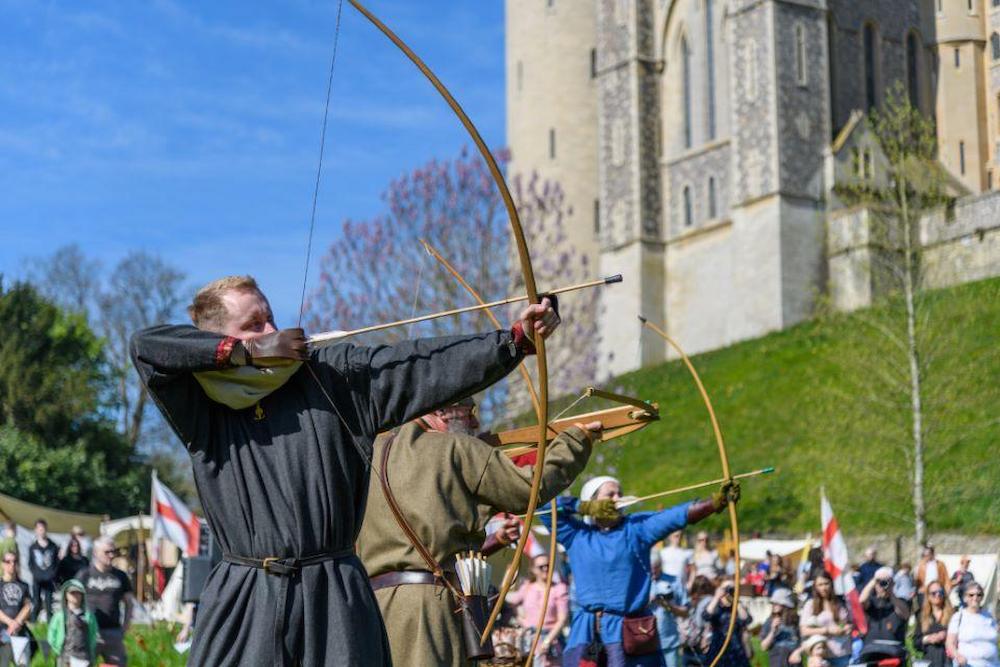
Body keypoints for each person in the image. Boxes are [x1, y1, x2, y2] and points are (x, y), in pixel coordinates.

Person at [130, 274, 561, 666]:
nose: (271, 330)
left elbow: (416, 365)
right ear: (218, 342)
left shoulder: (331, 377)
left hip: (333, 596)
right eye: (253, 325)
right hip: (245, 599)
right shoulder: (201, 404)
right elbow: (145, 346)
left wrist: (513, 341)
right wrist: (244, 353)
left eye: (270, 318)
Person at [356, 397, 596, 667]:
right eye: (468, 413)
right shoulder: (455, 447)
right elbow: (527, 489)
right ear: (442, 410)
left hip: (373, 608)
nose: (475, 423)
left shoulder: (368, 453)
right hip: (431, 609)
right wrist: (576, 441)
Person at [543, 475, 738, 667]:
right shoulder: (575, 534)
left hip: (630, 631)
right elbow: (543, 508)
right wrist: (579, 506)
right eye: (610, 494)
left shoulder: (636, 529)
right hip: (587, 632)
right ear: (592, 501)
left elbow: (674, 517)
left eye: (620, 494)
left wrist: (713, 503)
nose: (617, 498)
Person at [76, 536, 134, 666]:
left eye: (113, 551)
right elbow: (73, 602)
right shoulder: (84, 575)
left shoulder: (121, 576)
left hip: (113, 631)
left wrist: (125, 626)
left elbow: (129, 603)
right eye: (107, 552)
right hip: (89, 632)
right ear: (96, 553)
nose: (111, 555)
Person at [509, 554, 571, 667]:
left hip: (551, 640)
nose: (545, 569)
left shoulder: (559, 589)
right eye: (541, 567)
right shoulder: (527, 587)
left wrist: (547, 641)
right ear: (533, 569)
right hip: (529, 641)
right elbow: (510, 604)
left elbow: (562, 619)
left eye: (548, 565)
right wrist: (521, 620)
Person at [858, 566, 910, 664]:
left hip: (894, 651)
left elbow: (905, 614)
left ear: (893, 583)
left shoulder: (900, 601)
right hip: (871, 651)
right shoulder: (871, 601)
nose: (882, 585)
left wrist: (890, 593)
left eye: (886, 582)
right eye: (880, 583)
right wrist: (875, 580)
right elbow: (861, 600)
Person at [799, 572, 852, 667]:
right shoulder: (810, 605)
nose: (824, 588)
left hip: (842, 653)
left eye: (826, 583)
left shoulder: (841, 602)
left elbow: (850, 622)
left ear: (831, 584)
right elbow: (804, 631)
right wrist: (828, 630)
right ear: (815, 587)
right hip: (820, 656)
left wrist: (846, 628)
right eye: (820, 585)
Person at [650, 549, 688, 667]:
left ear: (661, 565)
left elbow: (685, 612)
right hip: (646, 644)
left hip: (669, 642)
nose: (653, 571)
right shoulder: (640, 583)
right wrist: (647, 601)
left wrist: (668, 605)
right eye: (650, 567)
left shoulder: (674, 581)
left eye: (656, 567)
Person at [47, 578, 99, 667]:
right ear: (66, 595)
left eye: (78, 593)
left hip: (85, 656)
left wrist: (90, 649)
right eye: (72, 593)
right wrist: (59, 650)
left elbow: (94, 634)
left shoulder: (89, 616)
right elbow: (51, 636)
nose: (75, 596)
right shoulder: (59, 616)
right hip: (66, 656)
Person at [702, 577, 752, 667]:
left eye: (732, 588)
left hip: (736, 648)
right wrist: (717, 596)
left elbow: (747, 620)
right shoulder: (716, 606)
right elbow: (706, 615)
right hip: (718, 647)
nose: (728, 590)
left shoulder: (738, 607)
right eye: (726, 588)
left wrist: (736, 601)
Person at [946, 582, 999, 667]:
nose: (975, 598)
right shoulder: (959, 617)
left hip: (993, 664)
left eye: (979, 595)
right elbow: (950, 643)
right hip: (969, 664)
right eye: (971, 595)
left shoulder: (989, 616)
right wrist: (958, 656)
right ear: (965, 598)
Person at [0, 551, 31, 667]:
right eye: (8, 561)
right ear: (2, 564)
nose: (12, 564)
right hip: (2, 633)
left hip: (20, 633)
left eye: (14, 561)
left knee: (23, 664)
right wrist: (10, 623)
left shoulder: (24, 585)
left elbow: (28, 607)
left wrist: (16, 622)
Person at [913, 580, 953, 667]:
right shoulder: (922, 616)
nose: (937, 595)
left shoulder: (953, 615)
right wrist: (928, 638)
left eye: (940, 592)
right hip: (929, 661)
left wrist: (947, 635)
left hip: (948, 661)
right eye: (934, 593)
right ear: (928, 596)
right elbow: (916, 642)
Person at [27, 518, 58, 622]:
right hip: (37, 580)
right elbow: (30, 563)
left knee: (49, 605)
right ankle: (32, 624)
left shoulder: (53, 546)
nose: (41, 531)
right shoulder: (33, 547)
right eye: (39, 529)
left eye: (43, 529)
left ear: (46, 529)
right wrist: (35, 574)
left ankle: (51, 627)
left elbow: (56, 562)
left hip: (49, 580)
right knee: (36, 603)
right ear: (36, 530)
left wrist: (52, 574)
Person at [761, 588, 801, 667]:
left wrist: (798, 652)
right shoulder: (770, 621)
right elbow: (764, 647)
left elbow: (804, 641)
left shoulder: (796, 621)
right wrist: (773, 631)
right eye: (773, 603)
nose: (773, 605)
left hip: (794, 662)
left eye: (777, 603)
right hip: (777, 661)